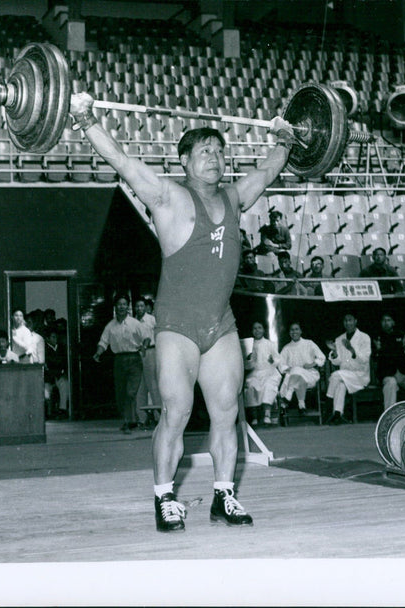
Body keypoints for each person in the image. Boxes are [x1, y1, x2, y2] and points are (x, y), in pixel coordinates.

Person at [71, 90, 293, 531]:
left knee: (227, 411)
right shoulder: (167, 196)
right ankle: (164, 497)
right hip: (176, 327)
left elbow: (268, 169)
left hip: (221, 326)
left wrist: (285, 138)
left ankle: (223, 496)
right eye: (204, 150)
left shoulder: (234, 196)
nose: (214, 156)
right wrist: (86, 119)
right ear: (186, 161)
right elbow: (123, 163)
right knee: (177, 412)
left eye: (219, 150)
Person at [93, 295, 146, 434]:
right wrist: (98, 353)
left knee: (131, 392)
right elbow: (103, 342)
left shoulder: (135, 323)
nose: (121, 306)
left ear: (127, 307)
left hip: (134, 359)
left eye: (124, 304)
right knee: (122, 393)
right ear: (115, 307)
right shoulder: (110, 326)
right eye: (119, 304)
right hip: (119, 361)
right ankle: (129, 420)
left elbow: (146, 337)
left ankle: (130, 422)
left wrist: (144, 347)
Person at [324, 313, 371, 425]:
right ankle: (337, 414)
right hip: (345, 375)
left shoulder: (364, 337)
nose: (348, 323)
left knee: (335, 375)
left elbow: (364, 359)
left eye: (350, 320)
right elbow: (338, 361)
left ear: (355, 321)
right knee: (340, 384)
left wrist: (352, 350)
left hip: (359, 375)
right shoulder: (339, 339)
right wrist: (334, 352)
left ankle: (328, 403)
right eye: (345, 320)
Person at [277, 322, 326, 423]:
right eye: (292, 330)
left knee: (297, 370)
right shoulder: (286, 348)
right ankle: (302, 406)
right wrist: (287, 369)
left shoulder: (309, 343)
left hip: (310, 375)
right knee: (297, 372)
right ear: (289, 332)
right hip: (297, 378)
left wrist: (312, 364)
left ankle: (289, 393)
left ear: (300, 331)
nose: (294, 332)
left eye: (296, 329)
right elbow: (280, 363)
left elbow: (322, 357)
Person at [373, 314, 405, 409]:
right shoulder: (377, 337)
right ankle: (389, 414)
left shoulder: (400, 335)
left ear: (393, 322)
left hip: (403, 372)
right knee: (391, 383)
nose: (386, 323)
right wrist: (378, 349)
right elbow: (374, 357)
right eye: (383, 320)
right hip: (387, 373)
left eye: (388, 320)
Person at [244, 321, 282, 426]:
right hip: (255, 373)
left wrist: (272, 361)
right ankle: (254, 417)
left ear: (263, 330)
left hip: (269, 372)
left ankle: (267, 414)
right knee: (251, 386)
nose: (257, 330)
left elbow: (278, 359)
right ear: (252, 331)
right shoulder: (249, 345)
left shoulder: (270, 344)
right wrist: (251, 361)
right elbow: (246, 365)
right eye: (255, 328)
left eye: (259, 328)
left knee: (268, 385)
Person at [134, 297, 162, 428]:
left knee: (153, 384)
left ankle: (159, 417)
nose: (139, 308)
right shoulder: (132, 321)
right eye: (137, 306)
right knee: (140, 387)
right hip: (137, 353)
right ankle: (142, 418)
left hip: (150, 352)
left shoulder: (152, 320)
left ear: (145, 307)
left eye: (141, 306)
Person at [44, 325, 68, 419]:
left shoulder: (61, 348)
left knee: (64, 384)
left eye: (56, 337)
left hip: (59, 375)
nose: (55, 339)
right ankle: (48, 413)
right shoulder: (44, 349)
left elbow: (63, 362)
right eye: (53, 337)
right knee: (46, 391)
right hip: (48, 377)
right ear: (47, 338)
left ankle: (62, 409)